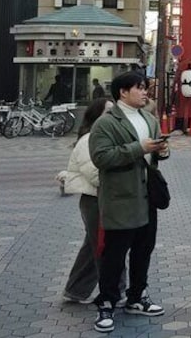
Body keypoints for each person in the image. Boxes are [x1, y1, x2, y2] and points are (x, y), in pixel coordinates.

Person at [89, 71, 169, 333]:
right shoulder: (106, 123)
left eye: (145, 88)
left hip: (148, 198)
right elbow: (101, 157)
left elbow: (153, 154)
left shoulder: (149, 118)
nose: (145, 92)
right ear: (123, 92)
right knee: (114, 254)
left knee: (144, 250)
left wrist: (162, 151)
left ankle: (137, 296)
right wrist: (141, 148)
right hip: (121, 199)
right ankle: (107, 302)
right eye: (139, 88)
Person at [62, 97, 120, 304]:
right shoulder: (89, 140)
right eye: (108, 112)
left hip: (101, 199)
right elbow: (97, 175)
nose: (113, 117)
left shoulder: (102, 136)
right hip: (96, 200)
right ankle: (116, 291)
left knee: (93, 246)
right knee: (106, 247)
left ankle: (76, 289)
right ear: (96, 116)